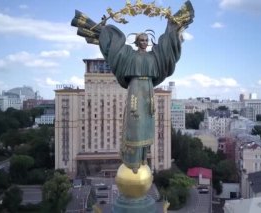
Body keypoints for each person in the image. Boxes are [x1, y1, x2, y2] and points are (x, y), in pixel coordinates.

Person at [73, 1, 194, 173]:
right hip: (136, 90)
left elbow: (168, 49)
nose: (144, 42)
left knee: (146, 124)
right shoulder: (129, 56)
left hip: (149, 92)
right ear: (137, 42)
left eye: (146, 40)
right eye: (141, 40)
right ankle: (132, 160)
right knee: (135, 125)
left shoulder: (155, 57)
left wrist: (172, 27)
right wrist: (105, 30)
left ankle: (143, 157)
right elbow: (115, 48)